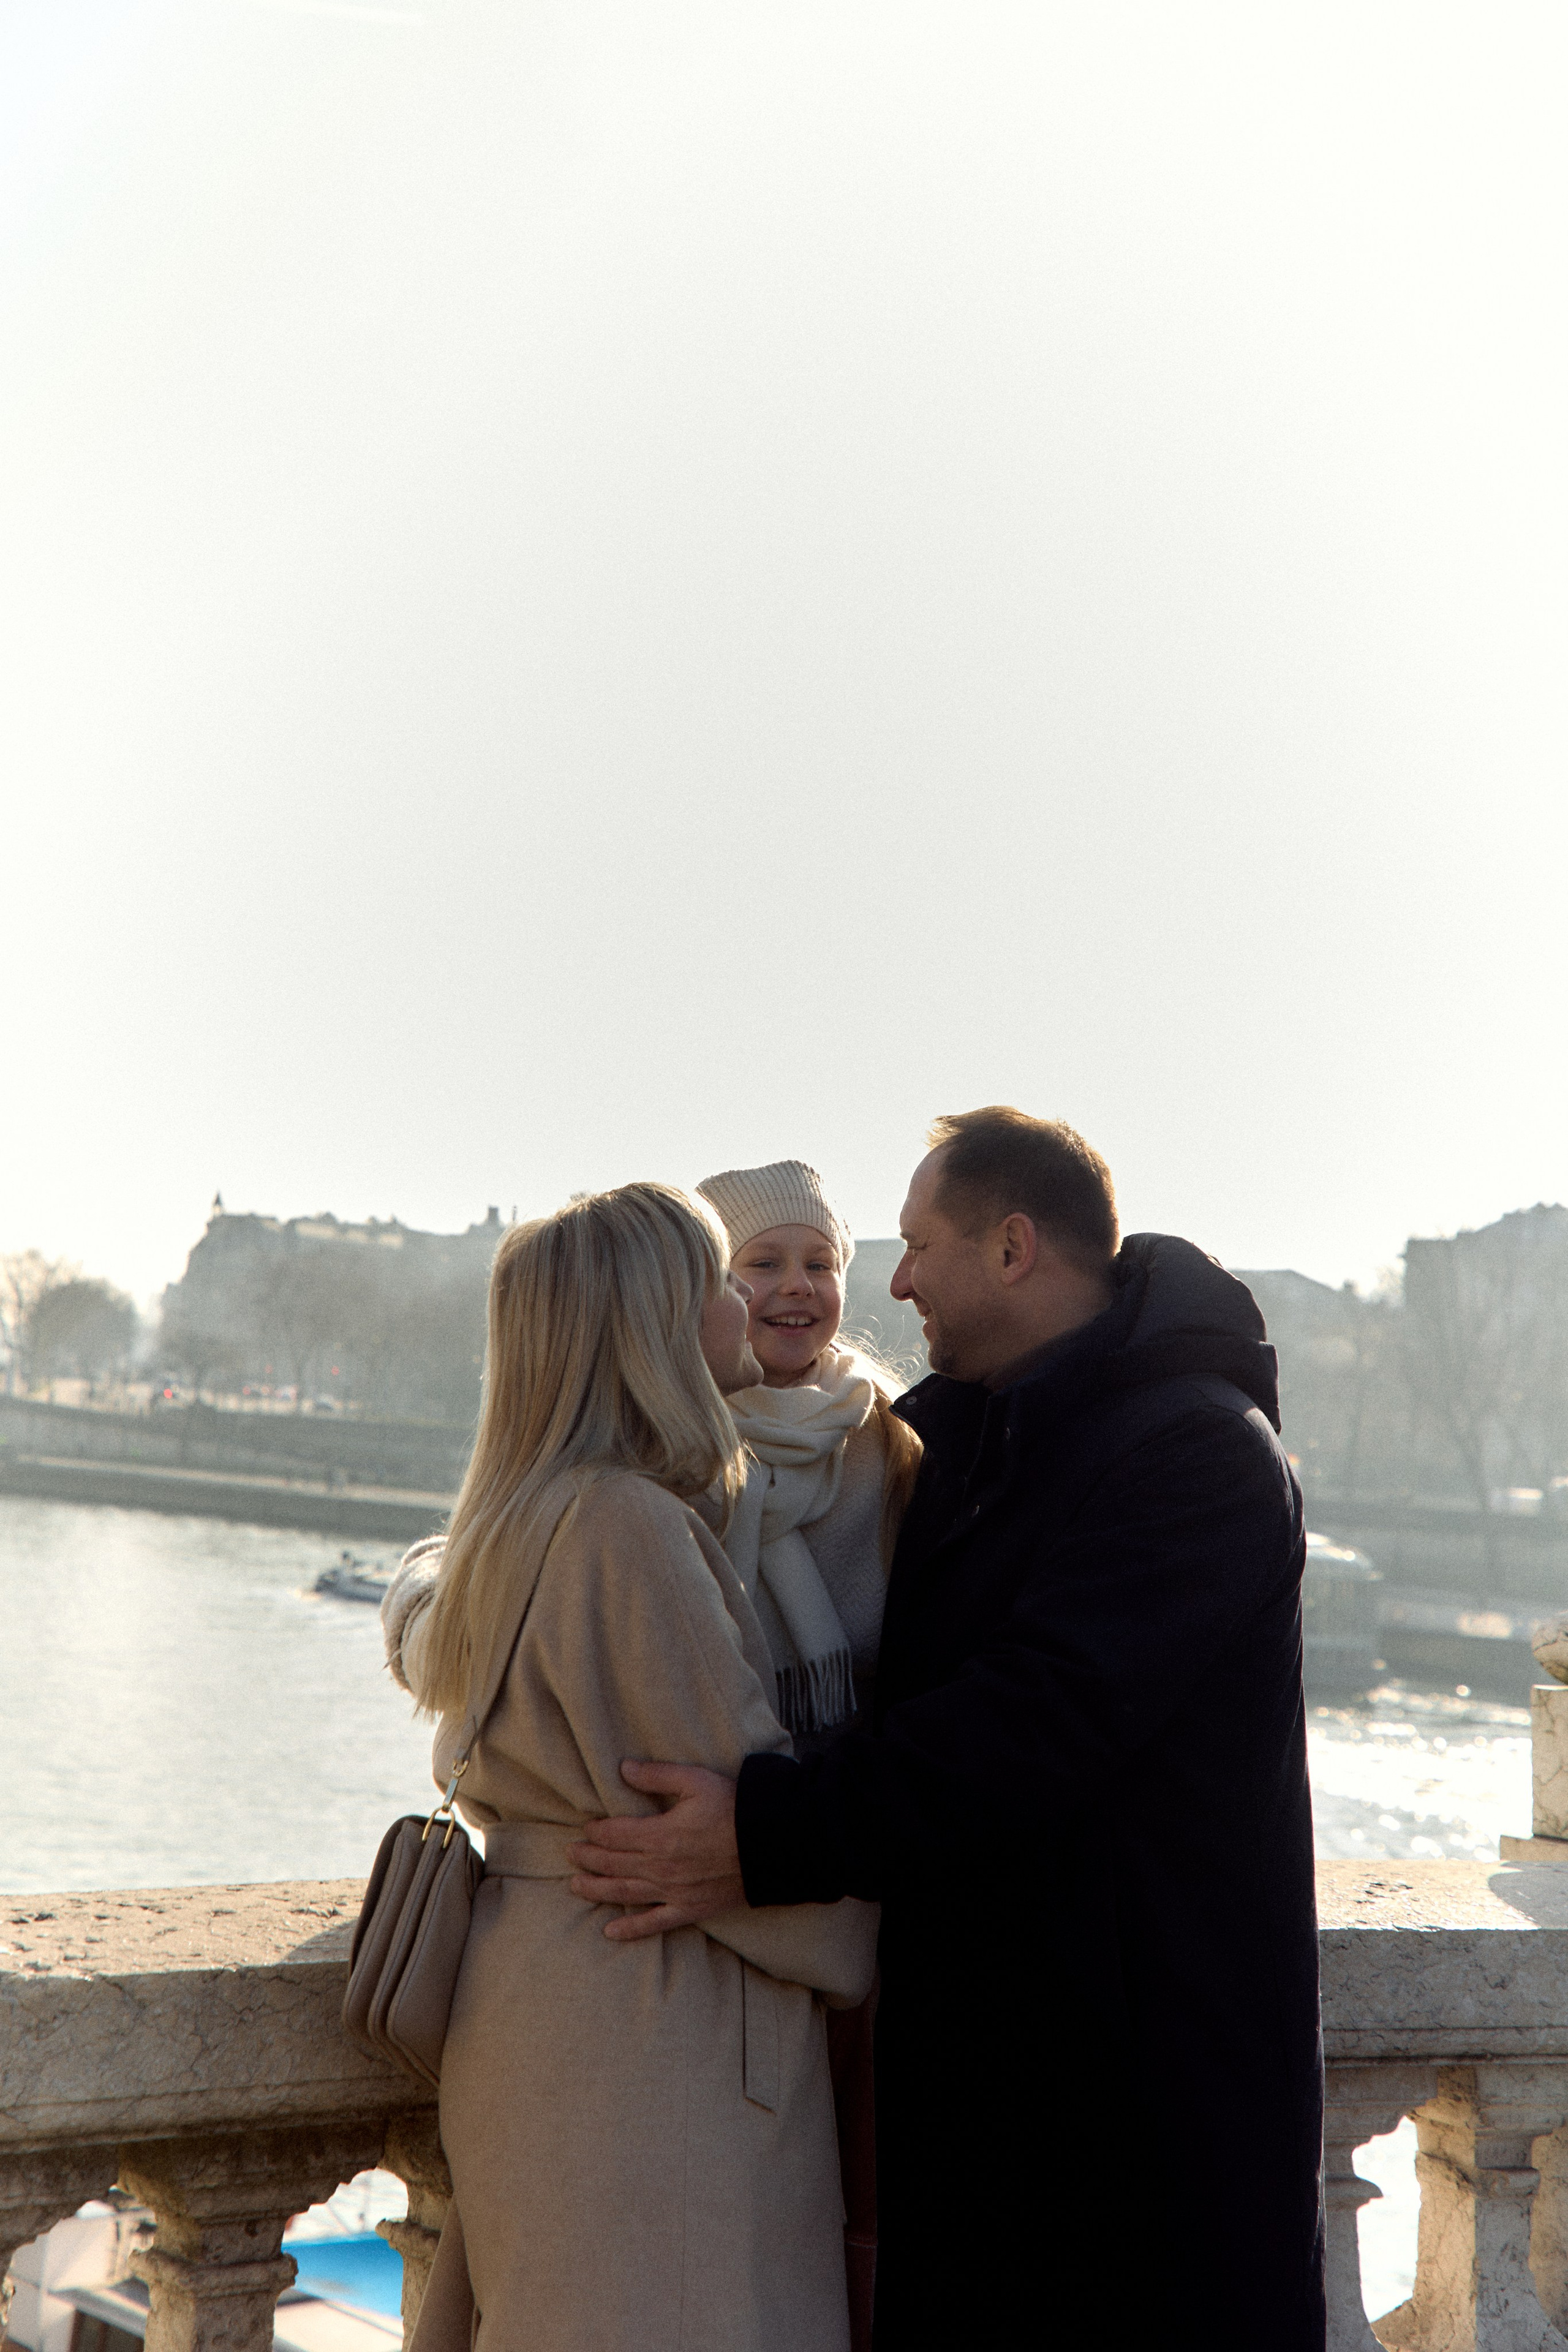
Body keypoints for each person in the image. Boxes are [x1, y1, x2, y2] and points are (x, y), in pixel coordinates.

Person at [567, 1109, 1326, 2351]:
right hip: (996, 2097)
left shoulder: (1199, 1455)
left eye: (918, 1247)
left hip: (1143, 2121)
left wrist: (763, 1836)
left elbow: (1031, 1725)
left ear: (1013, 1249)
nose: (897, 1282)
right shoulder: (965, 1436)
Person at [380, 1183, 878, 2352]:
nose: (745, 1303)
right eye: (719, 1280)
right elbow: (731, 1821)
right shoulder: (631, 1527)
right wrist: (860, 1917)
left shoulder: (525, 1512)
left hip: (545, 2004)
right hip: (659, 2036)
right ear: (656, 1321)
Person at [691, 1160, 922, 2349]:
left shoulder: (899, 1441)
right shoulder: (670, 1435)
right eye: (761, 1264)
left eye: (819, 1263)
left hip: (838, 1864)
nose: (796, 1288)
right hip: (698, 1861)